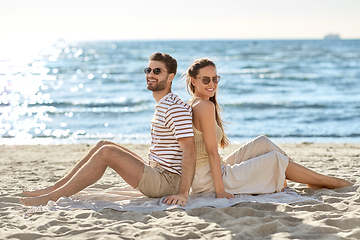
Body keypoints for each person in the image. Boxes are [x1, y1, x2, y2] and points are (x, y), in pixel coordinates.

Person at [21, 52, 196, 207]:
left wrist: (182, 192)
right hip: (157, 170)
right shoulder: (165, 103)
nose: (150, 74)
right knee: (103, 144)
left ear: (170, 77)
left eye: (157, 71)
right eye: (148, 70)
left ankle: (52, 196)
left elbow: (189, 150)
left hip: (167, 181)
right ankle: (54, 188)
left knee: (107, 152)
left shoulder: (174, 108)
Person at [185, 58, 353, 199]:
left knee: (262, 142)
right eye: (205, 79)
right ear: (193, 80)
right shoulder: (205, 106)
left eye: (215, 79)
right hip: (209, 181)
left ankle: (310, 178)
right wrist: (220, 191)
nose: (212, 84)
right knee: (274, 159)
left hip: (207, 173)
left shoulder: (192, 103)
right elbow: (212, 152)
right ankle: (329, 181)